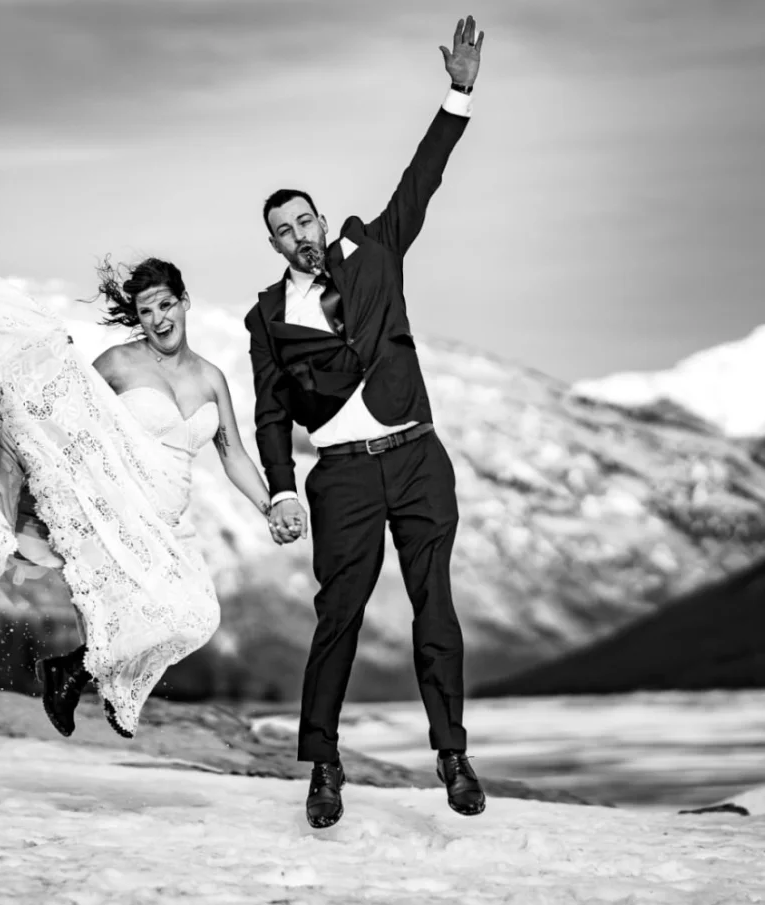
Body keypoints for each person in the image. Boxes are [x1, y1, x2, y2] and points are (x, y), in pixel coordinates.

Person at [245, 16, 488, 827]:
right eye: (283, 231)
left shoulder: (376, 249)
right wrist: (280, 488)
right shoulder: (268, 316)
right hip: (342, 474)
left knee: (436, 609)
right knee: (337, 620)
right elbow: (270, 413)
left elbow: (424, 177)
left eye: (304, 220)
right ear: (275, 244)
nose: (298, 235)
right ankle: (322, 766)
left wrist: (457, 93)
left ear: (320, 219)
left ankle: (452, 755)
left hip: (418, 455)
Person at [0, 243, 272, 739]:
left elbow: (232, 451)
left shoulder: (211, 378)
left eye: (166, 304)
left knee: (198, 617)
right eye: (146, 311)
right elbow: (66, 404)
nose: (158, 319)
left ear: (185, 301)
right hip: (122, 512)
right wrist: (2, 403)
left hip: (172, 519)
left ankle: (71, 671)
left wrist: (270, 504)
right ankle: (79, 672)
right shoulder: (120, 364)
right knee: (181, 614)